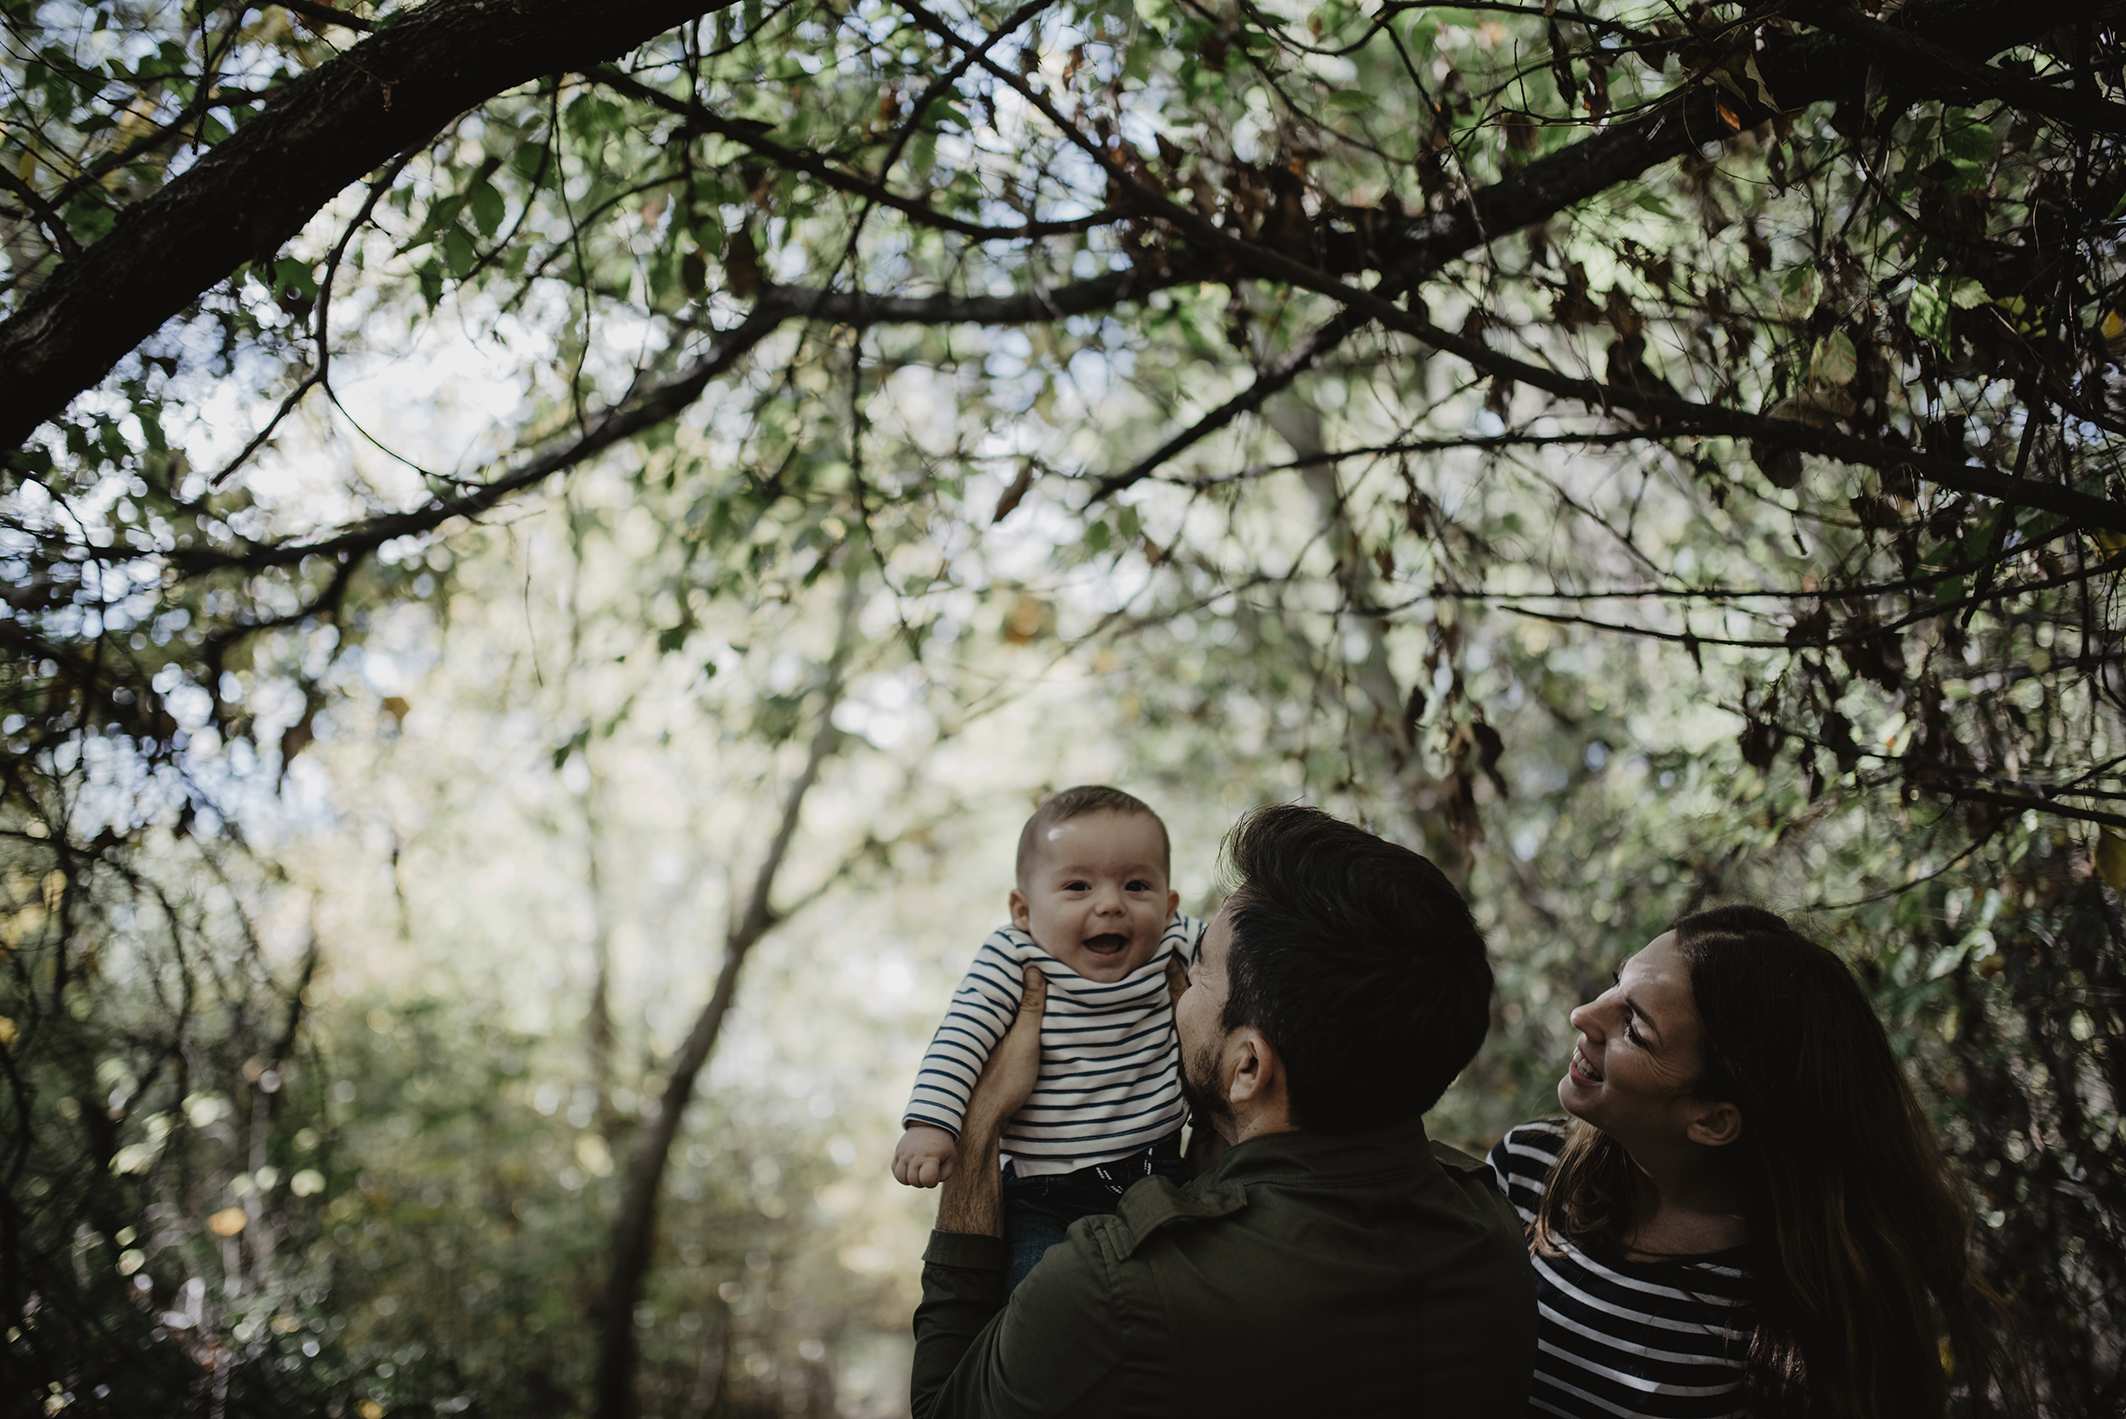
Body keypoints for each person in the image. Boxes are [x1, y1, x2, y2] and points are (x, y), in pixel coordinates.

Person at [910, 803, 1538, 1418]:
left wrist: (981, 1120)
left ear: (1248, 1068)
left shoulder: (1116, 1287)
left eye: (1199, 973)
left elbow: (944, 1407)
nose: (1175, 998)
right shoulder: (1491, 1222)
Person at [1489, 906, 2025, 1419]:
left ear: (1714, 1120)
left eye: (1635, 1028)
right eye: (1617, 982)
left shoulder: (1788, 1327)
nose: (1584, 1014)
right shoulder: (1527, 1170)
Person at [893, 785, 1204, 1292]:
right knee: (1039, 1296)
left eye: (1137, 886)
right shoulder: (1014, 956)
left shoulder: (1176, 941)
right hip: (1045, 1191)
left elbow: (1247, 971)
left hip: (1162, 1170)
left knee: (1182, 1289)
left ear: (1169, 905)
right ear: (1023, 909)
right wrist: (931, 1124)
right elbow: (961, 1036)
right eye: (1078, 886)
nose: (1110, 905)